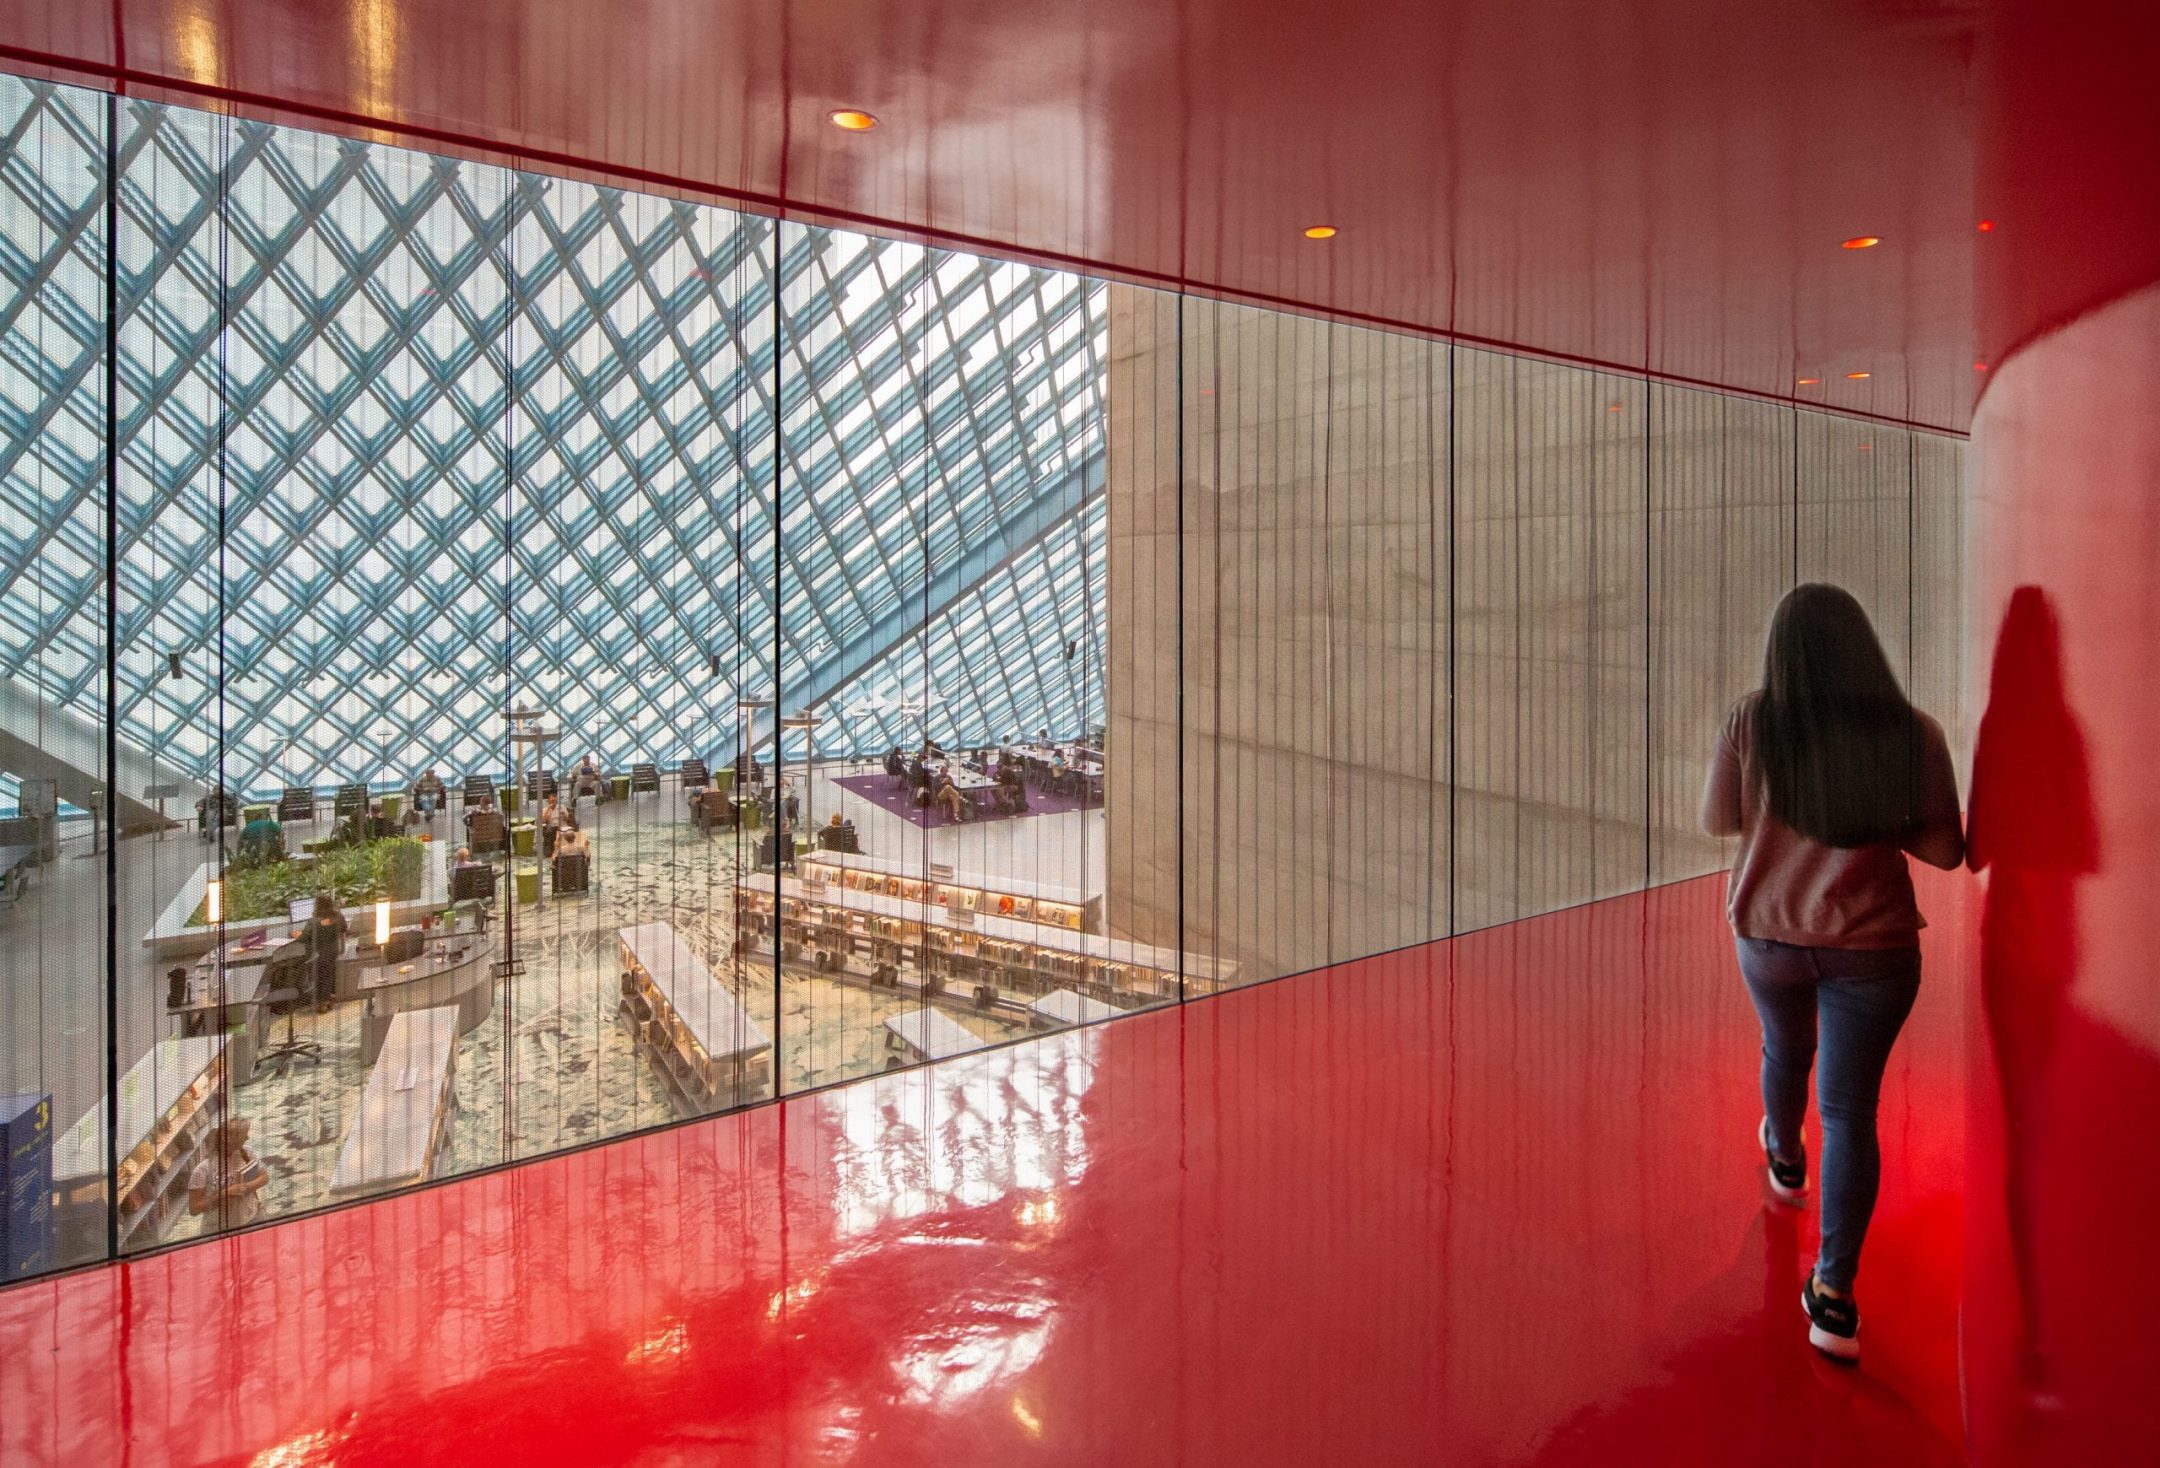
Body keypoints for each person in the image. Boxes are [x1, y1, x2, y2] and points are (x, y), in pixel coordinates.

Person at [1701, 583, 1963, 1364]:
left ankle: (1785, 1158)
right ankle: (1834, 1301)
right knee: (1850, 1112)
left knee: (1785, 1050)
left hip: (1771, 940)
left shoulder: (1753, 720)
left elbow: (1719, 820)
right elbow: (1949, 850)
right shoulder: (1912, 732)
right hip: (1875, 950)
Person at [187, 1117, 268, 1230]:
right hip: (220, 1227)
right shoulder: (202, 1170)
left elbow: (264, 1177)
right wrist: (224, 1194)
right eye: (244, 1135)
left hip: (253, 1217)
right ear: (230, 1140)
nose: (248, 1138)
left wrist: (247, 1187)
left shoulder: (248, 1152)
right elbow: (194, 1209)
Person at [306, 889, 348, 1012]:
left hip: (318, 953)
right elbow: (344, 928)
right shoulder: (338, 915)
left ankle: (322, 1001)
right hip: (333, 950)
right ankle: (327, 998)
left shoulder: (313, 920)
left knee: (317, 968)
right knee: (326, 970)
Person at [538, 792, 564, 859]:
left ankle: (555, 850)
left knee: (551, 830)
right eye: (552, 801)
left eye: (555, 801)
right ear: (548, 801)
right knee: (548, 830)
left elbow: (567, 819)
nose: (553, 802)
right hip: (551, 827)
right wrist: (548, 809)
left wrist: (563, 814)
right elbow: (543, 821)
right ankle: (549, 851)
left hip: (561, 826)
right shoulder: (544, 809)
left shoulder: (561, 807)